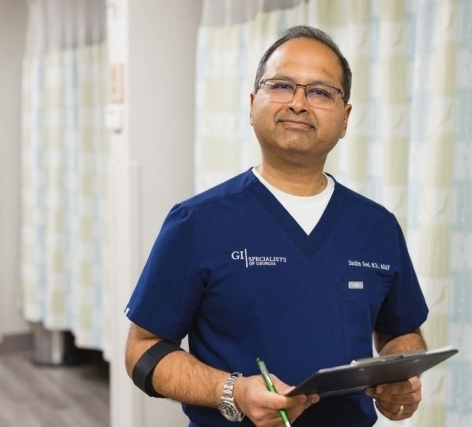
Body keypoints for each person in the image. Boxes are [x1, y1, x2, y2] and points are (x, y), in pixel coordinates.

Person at [124, 25, 429, 427]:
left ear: (345, 118)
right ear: (252, 105)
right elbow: (142, 351)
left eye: (320, 92)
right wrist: (232, 392)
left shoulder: (376, 227)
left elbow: (402, 332)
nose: (299, 103)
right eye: (282, 86)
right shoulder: (197, 222)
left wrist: (399, 377)